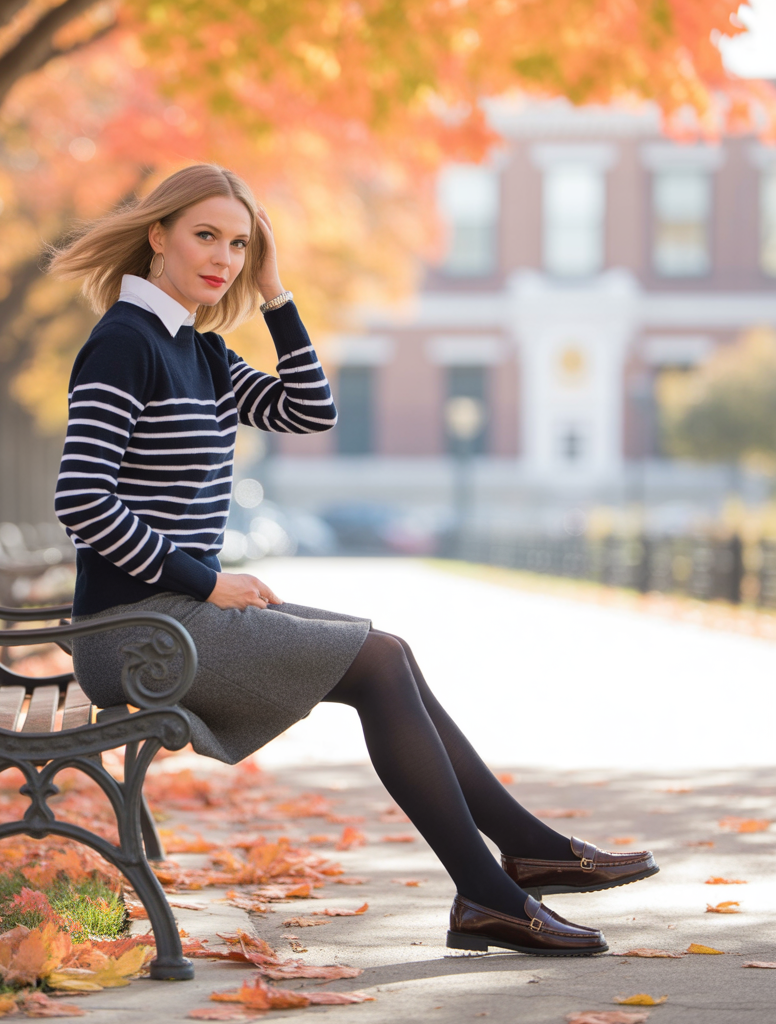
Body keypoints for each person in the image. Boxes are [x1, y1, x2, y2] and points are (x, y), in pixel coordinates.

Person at [48, 164, 658, 955]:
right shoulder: (125, 343)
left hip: (175, 617)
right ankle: (496, 886)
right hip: (133, 632)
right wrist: (208, 581)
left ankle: (516, 864)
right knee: (376, 663)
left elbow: (310, 411)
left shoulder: (200, 352)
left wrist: (276, 296)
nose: (224, 258)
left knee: (387, 653)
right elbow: (82, 500)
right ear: (157, 235)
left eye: (240, 244)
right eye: (206, 236)